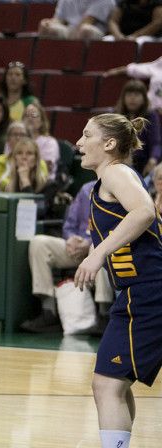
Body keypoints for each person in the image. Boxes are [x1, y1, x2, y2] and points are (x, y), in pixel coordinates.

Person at [73, 113, 162, 448]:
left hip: (148, 291)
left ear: (109, 144)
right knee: (115, 384)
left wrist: (97, 255)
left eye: (86, 135)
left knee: (107, 385)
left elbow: (144, 211)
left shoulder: (115, 172)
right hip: (139, 293)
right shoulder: (110, 180)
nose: (79, 143)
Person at [22, 180, 113, 334]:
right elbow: (69, 224)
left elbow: (117, 231)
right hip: (77, 248)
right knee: (39, 244)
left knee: (99, 248)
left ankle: (104, 314)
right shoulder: (86, 189)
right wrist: (71, 240)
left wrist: (89, 242)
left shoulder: (121, 191)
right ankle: (48, 311)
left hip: (98, 247)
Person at [114, 79, 162, 176]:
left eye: (136, 95)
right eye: (129, 95)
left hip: (143, 162)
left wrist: (152, 160)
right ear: (123, 98)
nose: (132, 98)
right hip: (119, 161)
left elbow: (156, 142)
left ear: (144, 98)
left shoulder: (151, 116)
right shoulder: (115, 115)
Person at [38, 0, 114, 40]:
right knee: (47, 27)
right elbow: (59, 19)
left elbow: (88, 20)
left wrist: (71, 40)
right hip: (70, 29)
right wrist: (49, 23)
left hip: (96, 32)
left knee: (85, 30)